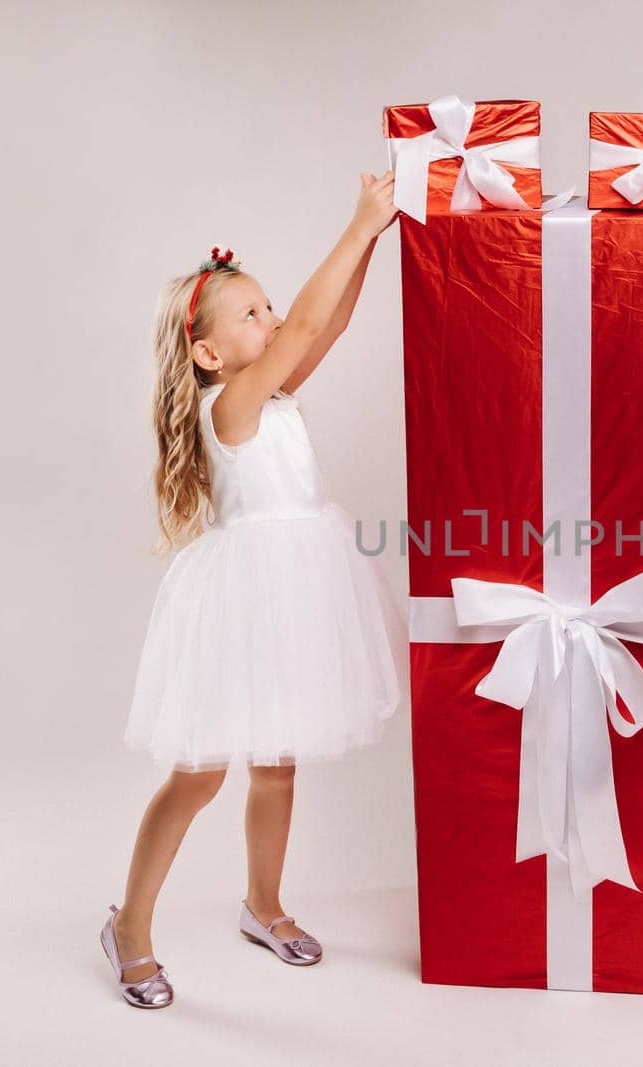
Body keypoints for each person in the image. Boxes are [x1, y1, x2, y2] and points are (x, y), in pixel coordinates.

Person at [99, 171, 407, 1009]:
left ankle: (262, 905)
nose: (273, 323)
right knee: (199, 774)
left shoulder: (274, 393)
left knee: (279, 765)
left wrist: (377, 240)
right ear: (208, 353)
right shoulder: (229, 405)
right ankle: (130, 926)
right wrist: (356, 221)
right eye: (252, 316)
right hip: (241, 601)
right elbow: (306, 322)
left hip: (299, 589)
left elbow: (326, 323)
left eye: (270, 309)